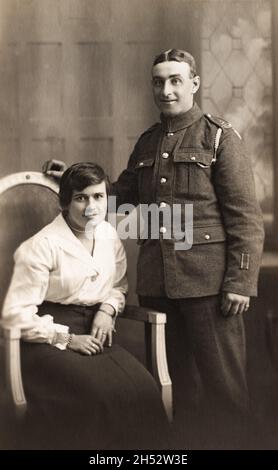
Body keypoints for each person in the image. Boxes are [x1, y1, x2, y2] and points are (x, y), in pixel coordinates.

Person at [43, 49, 265, 448]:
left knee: (225, 391)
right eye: (159, 82)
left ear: (194, 84)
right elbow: (120, 196)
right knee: (178, 389)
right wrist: (75, 181)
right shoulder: (148, 144)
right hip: (159, 286)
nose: (166, 90)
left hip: (210, 287)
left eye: (176, 80)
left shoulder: (219, 136)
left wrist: (240, 281)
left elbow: (245, 217)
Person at [2, 162, 168, 450]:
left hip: (95, 333)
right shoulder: (41, 246)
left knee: (144, 389)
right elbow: (14, 317)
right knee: (98, 395)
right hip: (44, 342)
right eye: (81, 198)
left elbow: (118, 286)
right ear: (65, 203)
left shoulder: (108, 235)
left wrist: (107, 310)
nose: (91, 206)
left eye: (98, 197)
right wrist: (66, 338)